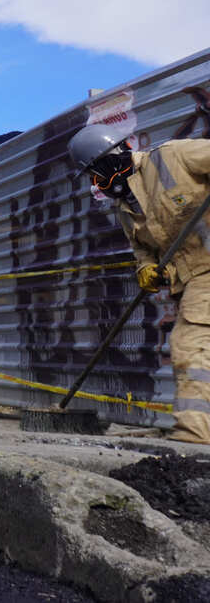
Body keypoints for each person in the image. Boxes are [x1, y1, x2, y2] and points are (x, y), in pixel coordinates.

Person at [69, 123, 210, 445]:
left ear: (109, 161)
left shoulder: (174, 157)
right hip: (192, 280)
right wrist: (147, 268)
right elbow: (143, 249)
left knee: (193, 345)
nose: (96, 184)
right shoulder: (126, 206)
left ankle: (197, 434)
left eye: (95, 174)